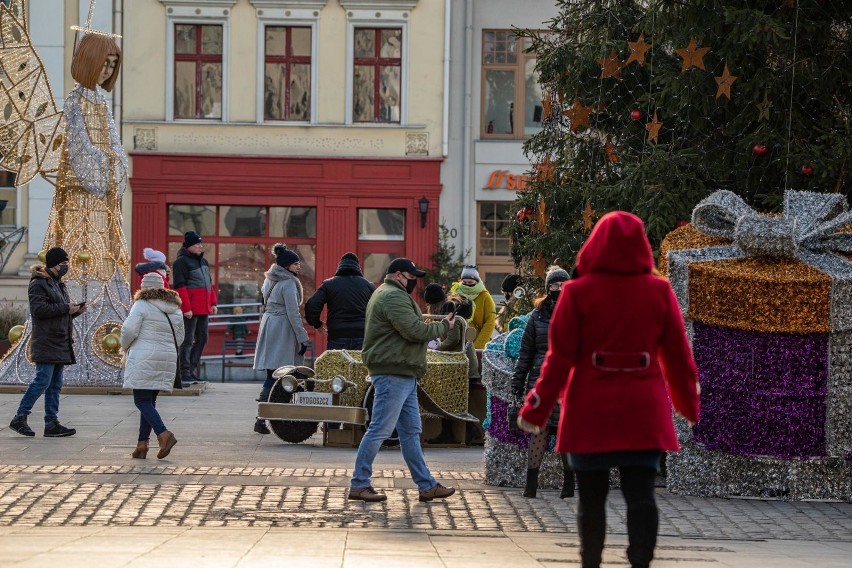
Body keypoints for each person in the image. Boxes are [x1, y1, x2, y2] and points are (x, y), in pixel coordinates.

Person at [518, 212, 700, 568]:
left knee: (591, 500)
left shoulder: (576, 293)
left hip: (590, 409)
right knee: (642, 496)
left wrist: (536, 408)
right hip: (642, 411)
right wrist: (688, 404)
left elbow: (559, 360)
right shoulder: (659, 291)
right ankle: (640, 562)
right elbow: (678, 357)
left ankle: (591, 563)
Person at [0, 32, 132, 386]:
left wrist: (115, 163)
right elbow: (79, 144)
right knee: (76, 250)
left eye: (113, 65)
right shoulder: (75, 101)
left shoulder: (103, 104)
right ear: (88, 62)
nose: (107, 70)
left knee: (106, 253)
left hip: (101, 196)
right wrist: (104, 165)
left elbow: (115, 146)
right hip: (78, 191)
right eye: (104, 63)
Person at [348, 258, 459, 503]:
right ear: (399, 275)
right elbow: (415, 331)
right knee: (380, 429)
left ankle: (426, 485)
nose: (414, 282)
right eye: (411, 278)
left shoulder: (387, 293)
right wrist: (443, 327)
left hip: (402, 371)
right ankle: (359, 484)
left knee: (410, 431)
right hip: (393, 371)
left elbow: (410, 328)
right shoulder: (392, 296)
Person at [512, 266, 573, 499]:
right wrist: (518, 381)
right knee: (539, 431)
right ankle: (531, 484)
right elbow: (525, 352)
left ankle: (569, 485)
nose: (559, 289)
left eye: (563, 285)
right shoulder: (537, 316)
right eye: (555, 285)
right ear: (547, 288)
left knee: (565, 432)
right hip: (540, 379)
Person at [9, 247, 83, 437]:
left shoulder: (58, 284)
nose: (66, 267)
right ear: (53, 264)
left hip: (59, 341)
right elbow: (40, 310)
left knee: (55, 385)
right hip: (46, 341)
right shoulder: (39, 283)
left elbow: (57, 314)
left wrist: (73, 312)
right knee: (42, 381)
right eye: (63, 264)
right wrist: (66, 308)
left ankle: (51, 423)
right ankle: (20, 417)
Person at [120, 272, 184, 460]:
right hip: (166, 357)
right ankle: (142, 445)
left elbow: (128, 330)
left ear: (144, 287)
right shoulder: (175, 308)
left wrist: (125, 346)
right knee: (149, 402)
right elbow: (180, 338)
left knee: (141, 401)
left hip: (144, 356)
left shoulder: (141, 305)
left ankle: (164, 434)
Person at [253, 244, 310, 434]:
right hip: (283, 329)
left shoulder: (269, 280)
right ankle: (269, 418)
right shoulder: (288, 284)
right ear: (286, 266)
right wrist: (303, 338)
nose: (298, 267)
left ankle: (262, 417)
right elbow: (293, 313)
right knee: (284, 373)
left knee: (272, 373)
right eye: (295, 264)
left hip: (269, 326)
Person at [172, 231, 217, 386]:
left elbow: (209, 284)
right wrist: (186, 308)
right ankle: (184, 373)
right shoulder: (181, 262)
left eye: (200, 243)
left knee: (202, 338)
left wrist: (213, 303)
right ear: (189, 245)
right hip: (190, 310)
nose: (200, 246)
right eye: (197, 243)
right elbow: (180, 286)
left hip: (203, 308)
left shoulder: (203, 261)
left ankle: (190, 371)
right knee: (187, 341)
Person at [305, 252, 375, 351]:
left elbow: (312, 305)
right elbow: (378, 309)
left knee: (337, 366)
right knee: (360, 366)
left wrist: (317, 324)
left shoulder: (329, 284)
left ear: (340, 266)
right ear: (357, 267)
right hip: (362, 336)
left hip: (337, 335)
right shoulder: (369, 286)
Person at [450, 265, 496, 349]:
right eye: (464, 282)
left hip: (476, 341)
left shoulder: (485, 296)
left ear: (476, 281)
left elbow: (490, 321)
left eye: (470, 283)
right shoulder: (456, 293)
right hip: (456, 341)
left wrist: (478, 346)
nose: (467, 285)